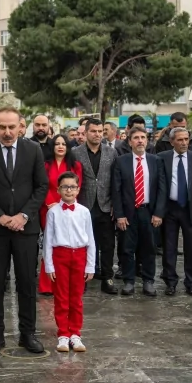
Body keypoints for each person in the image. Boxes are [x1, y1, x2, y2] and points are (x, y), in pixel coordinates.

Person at [0, 107, 49, 355]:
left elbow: (41, 187)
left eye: (11, 127)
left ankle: (28, 333)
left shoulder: (33, 150)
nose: (7, 132)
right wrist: (1, 217)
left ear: (21, 126)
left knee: (27, 282)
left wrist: (23, 216)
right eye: (2, 127)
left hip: (25, 228)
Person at [111, 127, 166, 297]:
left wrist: (158, 213)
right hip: (128, 213)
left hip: (149, 212)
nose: (140, 140)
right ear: (129, 141)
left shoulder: (155, 160)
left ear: (147, 141)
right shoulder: (121, 161)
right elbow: (116, 190)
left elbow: (162, 189)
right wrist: (119, 215)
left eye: (143, 137)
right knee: (127, 248)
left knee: (149, 248)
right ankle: (128, 281)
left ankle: (148, 281)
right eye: (136, 138)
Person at [44, 171, 95, 353]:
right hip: (61, 256)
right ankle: (63, 335)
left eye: (72, 187)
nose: (69, 190)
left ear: (78, 189)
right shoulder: (53, 212)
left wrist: (90, 265)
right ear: (58, 189)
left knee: (76, 298)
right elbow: (48, 240)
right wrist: (49, 265)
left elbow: (90, 239)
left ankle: (75, 333)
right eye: (65, 187)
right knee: (61, 297)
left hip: (80, 256)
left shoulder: (84, 212)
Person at [157, 127, 192, 297]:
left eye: (186, 139)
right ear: (171, 142)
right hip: (170, 208)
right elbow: (159, 186)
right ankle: (170, 282)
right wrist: (159, 212)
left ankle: (191, 283)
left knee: (191, 248)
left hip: (190, 210)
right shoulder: (162, 158)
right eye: (180, 140)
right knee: (169, 247)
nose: (184, 143)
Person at [72, 118, 117, 295]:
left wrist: (115, 203)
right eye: (94, 131)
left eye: (100, 131)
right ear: (86, 132)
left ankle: (107, 278)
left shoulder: (111, 153)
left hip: (106, 205)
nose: (98, 134)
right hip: (84, 206)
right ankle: (82, 278)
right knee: (83, 244)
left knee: (107, 244)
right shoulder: (76, 153)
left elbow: (116, 180)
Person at [40, 134, 83, 296]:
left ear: (67, 147)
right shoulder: (45, 165)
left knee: (67, 244)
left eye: (63, 144)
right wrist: (50, 204)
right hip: (48, 209)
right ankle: (47, 284)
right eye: (57, 143)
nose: (60, 146)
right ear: (52, 147)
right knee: (50, 243)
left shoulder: (75, 165)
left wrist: (63, 203)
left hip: (69, 209)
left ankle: (66, 283)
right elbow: (42, 185)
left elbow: (77, 187)